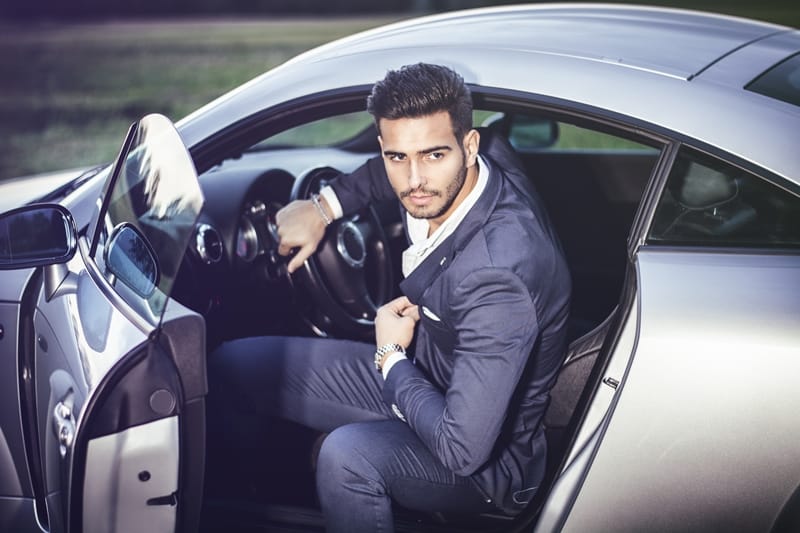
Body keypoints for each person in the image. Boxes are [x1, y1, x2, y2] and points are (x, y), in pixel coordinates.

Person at [209, 63, 571, 532]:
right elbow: (390, 176)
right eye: (398, 156)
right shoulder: (459, 169)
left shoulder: (500, 276)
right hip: (428, 375)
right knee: (235, 367)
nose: (414, 181)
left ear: (470, 145)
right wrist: (323, 208)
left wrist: (390, 356)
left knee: (346, 459)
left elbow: (462, 448)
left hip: (488, 463)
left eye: (434, 155)